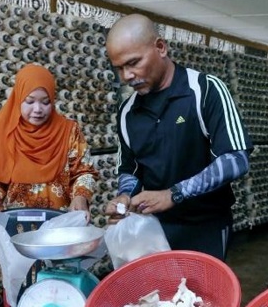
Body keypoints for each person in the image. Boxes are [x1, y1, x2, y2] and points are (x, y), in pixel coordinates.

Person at [104, 14, 251, 260]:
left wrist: (175, 193)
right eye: (119, 68)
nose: (126, 76)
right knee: (155, 297)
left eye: (133, 63)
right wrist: (124, 196)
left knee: (202, 298)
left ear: (160, 47)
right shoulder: (128, 112)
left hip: (205, 228)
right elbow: (130, 168)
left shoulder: (205, 90)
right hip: (152, 229)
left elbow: (236, 158)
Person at [0, 64, 99, 217]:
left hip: (61, 224)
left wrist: (80, 197)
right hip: (16, 226)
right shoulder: (0, 135)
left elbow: (84, 171)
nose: (38, 109)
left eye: (45, 102)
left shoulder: (69, 131)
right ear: (18, 99)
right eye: (29, 101)